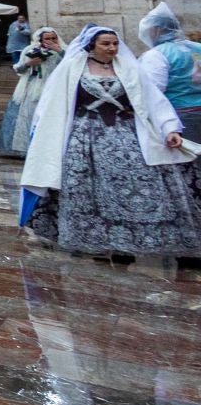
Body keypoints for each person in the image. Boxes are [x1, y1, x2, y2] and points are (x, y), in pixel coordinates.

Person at [21, 25, 196, 262]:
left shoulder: (130, 68)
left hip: (127, 135)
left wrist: (169, 128)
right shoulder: (71, 69)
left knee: (141, 185)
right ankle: (102, 242)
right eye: (105, 44)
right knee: (88, 189)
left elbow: (153, 99)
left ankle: (135, 240)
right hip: (85, 138)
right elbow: (52, 105)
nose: (112, 48)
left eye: (114, 43)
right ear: (91, 46)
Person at [137, 2, 201, 141]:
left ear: (155, 30)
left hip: (180, 117)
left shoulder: (156, 55)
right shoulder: (198, 48)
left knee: (188, 159)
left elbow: (152, 91)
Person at [0, 27, 63, 152]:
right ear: (40, 39)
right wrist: (29, 63)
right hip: (32, 88)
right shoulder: (29, 50)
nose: (51, 41)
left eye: (53, 38)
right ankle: (25, 147)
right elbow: (18, 69)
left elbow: (70, 65)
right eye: (47, 38)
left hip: (53, 87)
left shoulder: (61, 51)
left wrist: (59, 51)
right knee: (28, 115)